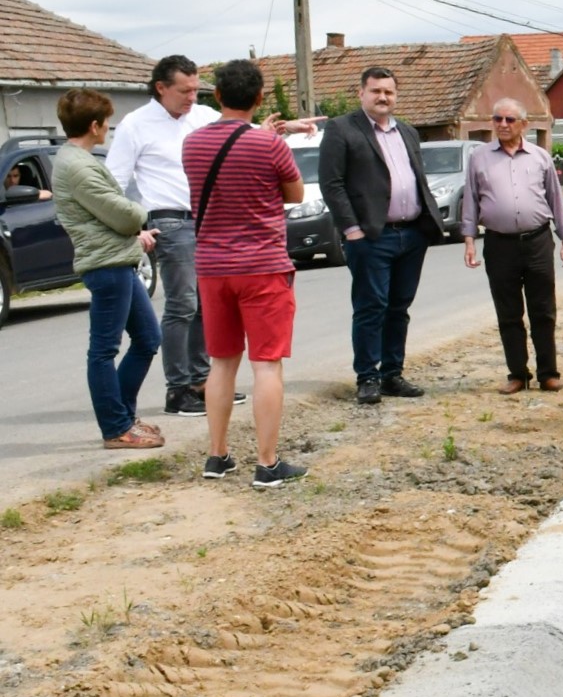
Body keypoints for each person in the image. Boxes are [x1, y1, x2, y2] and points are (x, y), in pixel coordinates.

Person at [180, 59, 314, 488]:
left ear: (217, 95)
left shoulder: (192, 144)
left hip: (212, 267)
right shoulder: (269, 144)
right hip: (262, 266)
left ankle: (217, 455)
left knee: (221, 363)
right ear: (259, 98)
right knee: (266, 365)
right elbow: (295, 193)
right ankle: (267, 463)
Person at [106, 54, 241, 418]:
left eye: (196, 90)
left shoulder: (203, 117)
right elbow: (114, 181)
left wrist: (282, 129)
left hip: (207, 220)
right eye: (184, 91)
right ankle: (177, 389)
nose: (192, 98)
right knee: (182, 304)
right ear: (161, 88)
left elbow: (242, 132)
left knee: (207, 303)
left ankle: (202, 382)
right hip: (169, 220)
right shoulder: (136, 125)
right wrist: (132, 227)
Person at [318, 66, 445, 405]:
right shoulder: (342, 129)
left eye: (388, 91)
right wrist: (352, 230)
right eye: (376, 91)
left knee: (399, 307)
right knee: (371, 307)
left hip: (411, 234)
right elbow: (331, 184)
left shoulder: (408, 131)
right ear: (361, 93)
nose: (382, 97)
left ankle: (392, 374)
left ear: (396, 95)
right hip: (371, 237)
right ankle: (367, 377)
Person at [50, 89, 164, 449]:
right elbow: (124, 214)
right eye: (107, 123)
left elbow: (105, 216)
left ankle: (124, 417)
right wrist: (140, 216)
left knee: (148, 338)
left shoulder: (78, 160)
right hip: (106, 265)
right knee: (103, 350)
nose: (108, 129)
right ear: (94, 125)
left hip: (117, 259)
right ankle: (115, 428)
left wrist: (133, 233)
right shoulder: (78, 167)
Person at [461, 98, 563, 394]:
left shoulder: (540, 157)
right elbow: (471, 200)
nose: (502, 124)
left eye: (509, 120)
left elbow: (556, 200)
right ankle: (517, 374)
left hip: (537, 241)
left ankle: (548, 374)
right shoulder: (479, 158)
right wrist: (469, 240)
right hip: (499, 244)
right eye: (497, 119)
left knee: (543, 310)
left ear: (523, 124)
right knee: (508, 312)